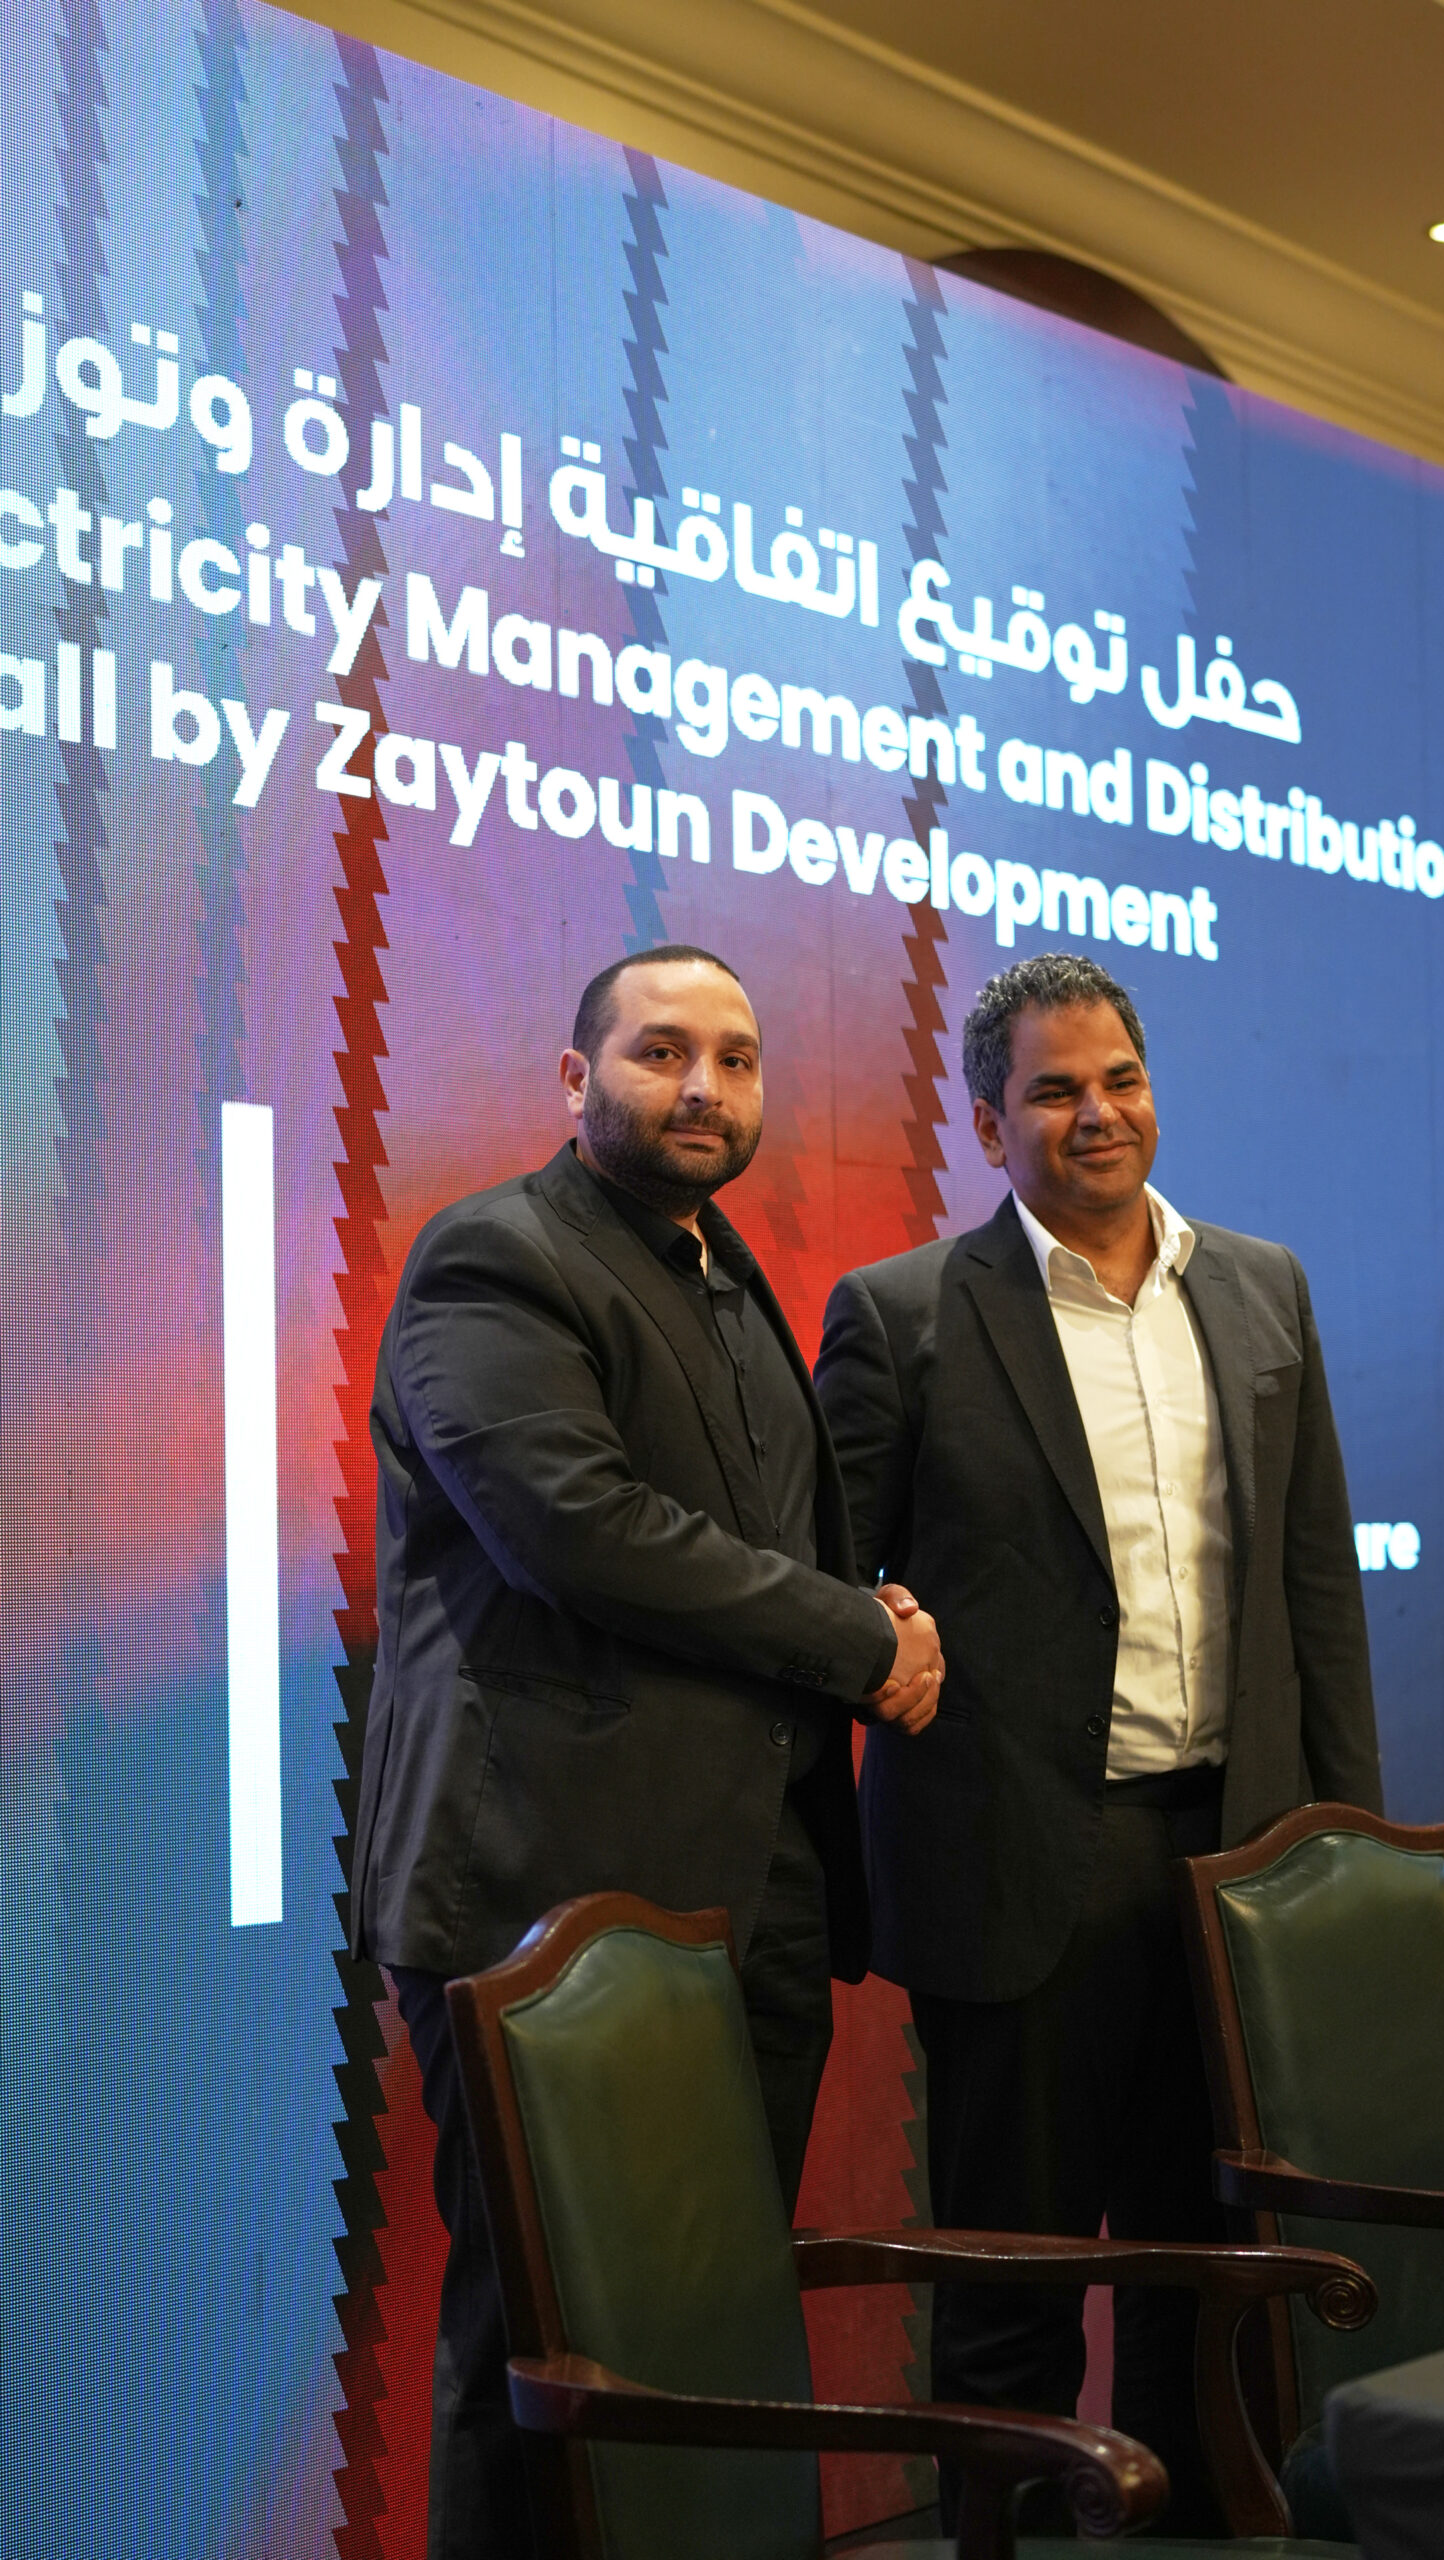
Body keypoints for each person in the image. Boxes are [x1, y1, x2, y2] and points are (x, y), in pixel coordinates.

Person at [350, 943, 944, 2560]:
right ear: (575, 1077)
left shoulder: (723, 1270)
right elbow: (580, 1532)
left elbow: (760, 1547)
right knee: (542, 2359)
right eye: (661, 1052)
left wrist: (868, 1605)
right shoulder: (496, 1256)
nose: (704, 1087)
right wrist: (855, 1637)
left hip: (753, 1896)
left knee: (702, 2348)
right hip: (547, 1902)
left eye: (736, 1059)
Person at [814, 950, 1382, 2531]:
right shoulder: (905, 1317)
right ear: (988, 1121)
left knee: (1210, 2274)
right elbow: (823, 1588)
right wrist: (876, 1622)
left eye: (1120, 1079)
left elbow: (1316, 1589)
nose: (1097, 1114)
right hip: (1018, 1871)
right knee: (1016, 2288)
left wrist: (1342, 1855)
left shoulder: (1261, 1288)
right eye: (1054, 1091)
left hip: (1233, 1859)